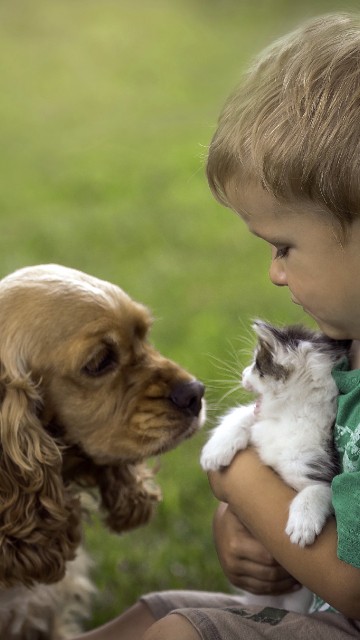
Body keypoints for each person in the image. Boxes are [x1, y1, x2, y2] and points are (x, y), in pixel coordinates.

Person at [75, 12, 360, 639]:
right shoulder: (340, 357)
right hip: (318, 611)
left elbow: (353, 582)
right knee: (144, 617)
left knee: (180, 632)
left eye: (284, 247)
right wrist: (246, 532)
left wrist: (237, 477)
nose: (274, 275)